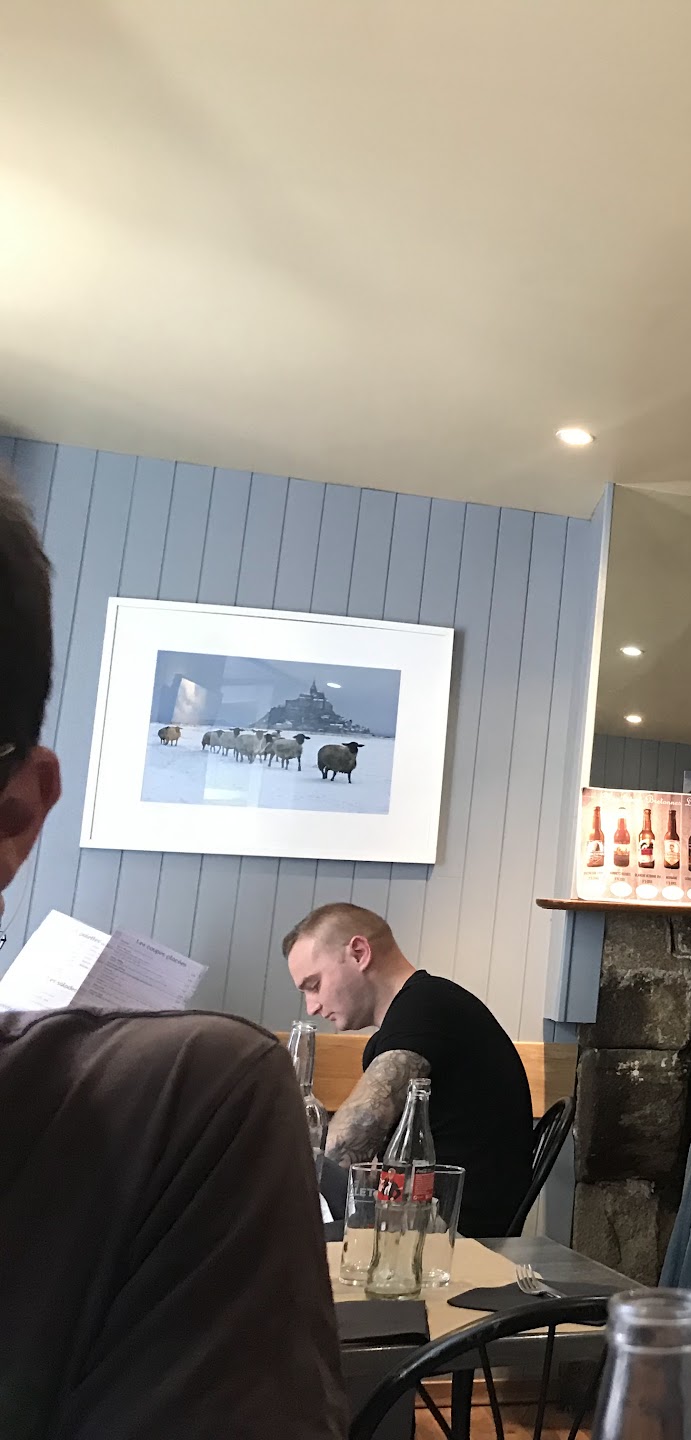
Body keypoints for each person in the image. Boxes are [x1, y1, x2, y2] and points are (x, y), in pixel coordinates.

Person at [0, 471, 347, 1437]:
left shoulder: (201, 1102)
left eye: (314, 983)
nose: (313, 1007)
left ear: (15, 815)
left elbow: (361, 1170)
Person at [285, 903, 533, 1236]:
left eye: (314, 985)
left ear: (359, 953)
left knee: (277, 1234)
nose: (312, 1006)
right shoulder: (416, 1016)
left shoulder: (426, 1008)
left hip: (454, 1235)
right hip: (422, 1219)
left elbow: (344, 1145)